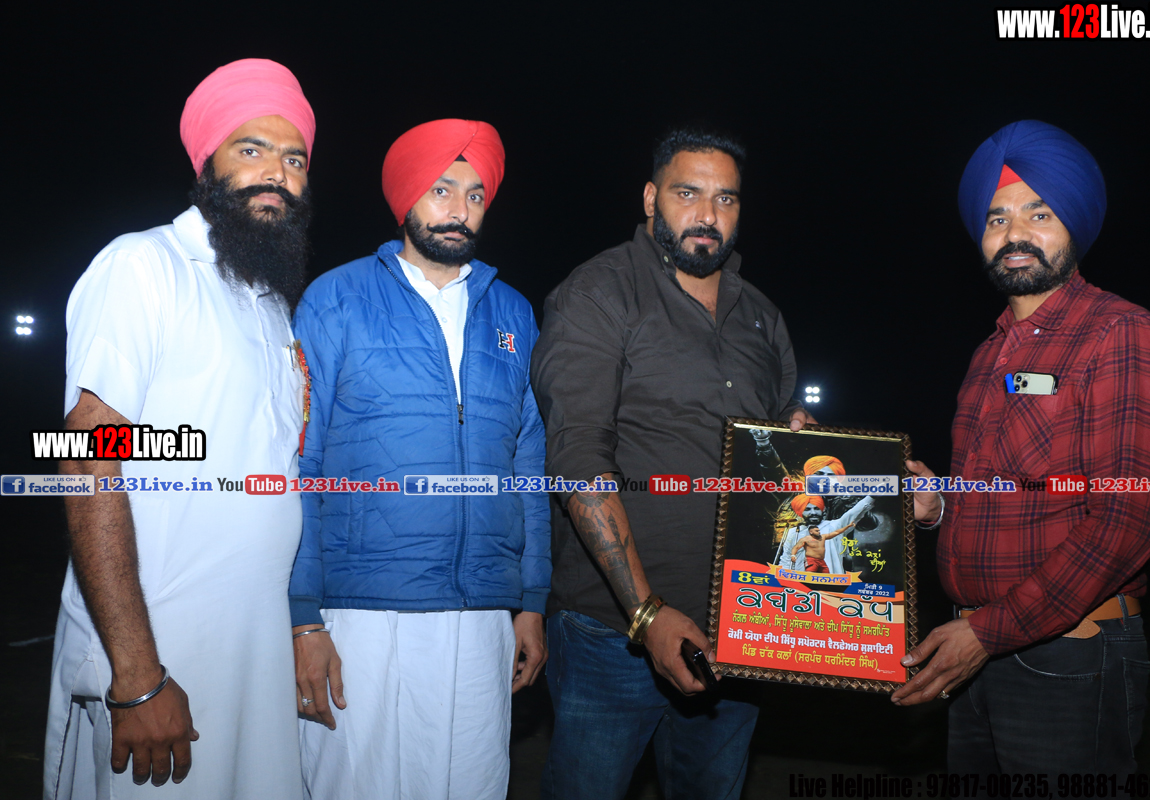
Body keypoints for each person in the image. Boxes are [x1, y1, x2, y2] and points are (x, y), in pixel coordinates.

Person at [45, 59, 316, 798]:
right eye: (251, 149)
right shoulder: (144, 267)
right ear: (207, 163)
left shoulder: (271, 305)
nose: (277, 173)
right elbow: (86, 459)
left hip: (255, 657)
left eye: (294, 159)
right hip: (160, 666)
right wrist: (138, 674)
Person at [892, 121, 1150, 778]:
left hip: (1067, 657)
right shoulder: (987, 357)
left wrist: (986, 633)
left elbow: (1126, 522)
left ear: (1075, 224)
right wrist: (939, 506)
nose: (1014, 233)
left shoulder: (1121, 333)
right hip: (974, 649)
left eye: (1038, 213)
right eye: (996, 218)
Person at [531, 128, 811, 800]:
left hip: (739, 629)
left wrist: (796, 445)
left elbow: (777, 453)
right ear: (652, 198)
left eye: (726, 199)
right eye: (688, 194)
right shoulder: (598, 292)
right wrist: (646, 615)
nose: (708, 215)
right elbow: (577, 460)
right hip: (610, 634)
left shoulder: (761, 316)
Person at [287, 119, 550, 800]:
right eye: (441, 190)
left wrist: (531, 602)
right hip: (364, 612)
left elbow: (528, 466)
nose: (459, 209)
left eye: (475, 195)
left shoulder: (513, 314)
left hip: (482, 612)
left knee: (471, 785)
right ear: (406, 196)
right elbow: (301, 463)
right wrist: (303, 617)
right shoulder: (337, 299)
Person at [775, 494, 873, 573]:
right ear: (800, 512)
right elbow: (786, 559)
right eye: (807, 509)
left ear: (823, 509)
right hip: (800, 582)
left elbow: (854, 513)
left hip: (830, 582)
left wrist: (871, 497)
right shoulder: (794, 532)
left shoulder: (834, 526)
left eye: (817, 508)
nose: (813, 512)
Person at [790, 521, 858, 573]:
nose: (819, 532)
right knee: (810, 575)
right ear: (811, 532)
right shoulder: (805, 539)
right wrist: (793, 555)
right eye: (816, 531)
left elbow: (836, 532)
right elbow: (796, 547)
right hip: (811, 560)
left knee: (826, 576)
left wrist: (848, 526)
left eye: (819, 530)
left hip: (821, 561)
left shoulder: (823, 537)